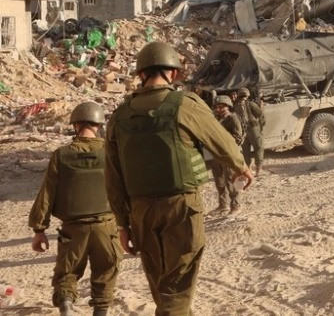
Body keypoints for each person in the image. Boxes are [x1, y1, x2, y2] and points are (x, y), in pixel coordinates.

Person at [105, 41, 254, 315]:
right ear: (173, 73)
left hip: (141, 212)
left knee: (162, 284)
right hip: (181, 208)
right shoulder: (185, 104)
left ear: (141, 74)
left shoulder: (120, 116)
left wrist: (122, 224)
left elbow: (113, 177)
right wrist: (241, 166)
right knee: (178, 285)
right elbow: (220, 139)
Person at [28, 101, 122, 316]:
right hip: (106, 228)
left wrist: (39, 229)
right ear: (99, 125)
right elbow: (123, 190)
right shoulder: (112, 153)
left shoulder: (61, 155)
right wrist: (129, 226)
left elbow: (47, 193)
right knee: (106, 273)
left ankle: (66, 305)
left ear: (75, 125)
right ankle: (100, 311)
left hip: (72, 230)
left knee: (66, 274)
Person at [209, 95, 244, 215]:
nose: (219, 109)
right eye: (217, 107)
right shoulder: (216, 119)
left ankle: (236, 206)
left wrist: (222, 138)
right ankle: (223, 205)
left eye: (222, 107)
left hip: (229, 154)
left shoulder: (233, 119)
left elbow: (238, 137)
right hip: (217, 153)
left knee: (231, 180)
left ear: (228, 107)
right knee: (219, 181)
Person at [233, 87, 265, 175]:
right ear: (247, 95)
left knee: (246, 151)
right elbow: (260, 115)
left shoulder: (235, 106)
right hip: (253, 128)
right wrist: (261, 127)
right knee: (258, 148)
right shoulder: (250, 104)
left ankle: (248, 169)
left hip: (242, 131)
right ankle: (258, 169)